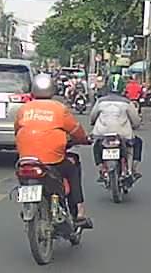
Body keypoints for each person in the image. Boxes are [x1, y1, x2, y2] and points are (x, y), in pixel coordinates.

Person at [14, 72, 93, 228]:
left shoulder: (24, 109)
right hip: (53, 161)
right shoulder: (59, 109)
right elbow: (76, 130)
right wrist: (84, 139)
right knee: (73, 167)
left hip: (26, 160)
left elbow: (17, 130)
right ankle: (79, 211)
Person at [89, 80, 143, 182]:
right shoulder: (127, 103)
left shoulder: (100, 101)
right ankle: (132, 170)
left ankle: (102, 169)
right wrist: (135, 126)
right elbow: (136, 121)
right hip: (123, 134)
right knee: (136, 144)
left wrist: (93, 123)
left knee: (96, 146)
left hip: (102, 133)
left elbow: (92, 117)